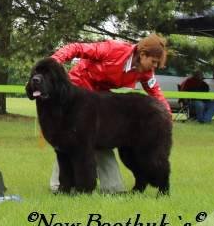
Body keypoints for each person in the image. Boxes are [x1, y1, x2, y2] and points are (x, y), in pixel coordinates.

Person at [49, 33, 170, 193]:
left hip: (98, 99)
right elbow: (76, 47)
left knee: (104, 137)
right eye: (153, 62)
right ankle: (60, 185)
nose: (154, 67)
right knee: (73, 139)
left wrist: (166, 117)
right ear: (142, 54)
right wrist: (53, 63)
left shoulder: (145, 72)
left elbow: (156, 94)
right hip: (78, 89)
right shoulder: (113, 49)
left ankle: (112, 187)